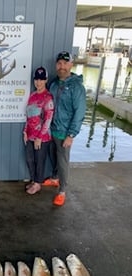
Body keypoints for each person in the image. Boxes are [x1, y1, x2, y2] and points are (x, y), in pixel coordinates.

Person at [44, 51, 86, 206]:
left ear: (71, 65)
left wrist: (71, 135)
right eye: (59, 63)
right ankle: (54, 179)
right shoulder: (54, 83)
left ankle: (62, 190)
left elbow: (79, 112)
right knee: (53, 156)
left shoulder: (76, 86)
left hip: (64, 132)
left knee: (63, 161)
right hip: (51, 130)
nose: (62, 66)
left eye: (65, 63)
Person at [23, 66, 54, 195]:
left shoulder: (48, 97)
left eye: (41, 79)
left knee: (39, 160)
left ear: (46, 80)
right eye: (36, 79)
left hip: (42, 137)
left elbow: (48, 119)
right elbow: (28, 116)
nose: (38, 82)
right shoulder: (32, 95)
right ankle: (33, 179)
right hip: (30, 135)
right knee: (29, 159)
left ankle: (37, 184)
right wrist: (25, 131)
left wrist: (40, 137)